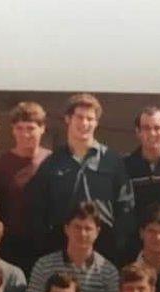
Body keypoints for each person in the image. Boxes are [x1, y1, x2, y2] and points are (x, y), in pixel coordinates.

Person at [27, 93, 135, 263]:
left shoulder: (112, 160)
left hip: (104, 248)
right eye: (79, 117)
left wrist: (119, 244)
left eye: (90, 119)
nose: (84, 123)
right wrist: (44, 245)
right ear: (68, 119)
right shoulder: (52, 162)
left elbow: (126, 205)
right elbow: (38, 208)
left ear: (96, 123)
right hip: (60, 247)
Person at [26, 202, 120, 292]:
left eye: (88, 228)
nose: (82, 233)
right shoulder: (44, 265)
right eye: (77, 227)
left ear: (97, 232)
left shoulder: (108, 271)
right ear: (66, 229)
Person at [0, 102, 52, 274]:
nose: (25, 134)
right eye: (19, 128)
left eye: (31, 128)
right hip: (11, 249)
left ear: (42, 128)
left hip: (48, 247)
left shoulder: (54, 161)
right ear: (13, 130)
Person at [124, 106, 160, 223]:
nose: (152, 133)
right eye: (146, 128)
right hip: (135, 237)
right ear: (138, 132)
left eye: (157, 128)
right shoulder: (124, 165)